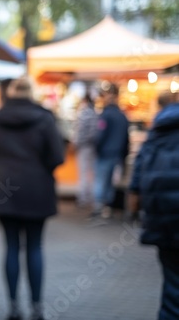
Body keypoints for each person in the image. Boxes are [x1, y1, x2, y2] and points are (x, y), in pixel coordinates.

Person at [0, 77, 65, 320]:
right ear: (31, 93)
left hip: (3, 188)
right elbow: (57, 156)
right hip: (36, 187)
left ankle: (14, 306)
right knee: (35, 246)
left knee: (11, 247)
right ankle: (37, 307)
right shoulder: (45, 118)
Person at [127, 91, 179, 320]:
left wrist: (134, 213)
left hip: (164, 221)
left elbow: (137, 179)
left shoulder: (156, 133)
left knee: (172, 286)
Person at [92, 82, 129, 219]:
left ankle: (98, 207)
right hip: (117, 154)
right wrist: (124, 155)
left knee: (101, 180)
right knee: (110, 182)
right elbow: (126, 138)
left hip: (105, 153)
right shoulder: (122, 116)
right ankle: (107, 207)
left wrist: (97, 148)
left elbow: (100, 135)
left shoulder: (105, 115)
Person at [72, 93, 98, 208]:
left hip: (84, 147)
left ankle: (83, 197)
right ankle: (91, 196)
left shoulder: (84, 113)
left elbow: (80, 131)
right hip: (93, 147)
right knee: (92, 172)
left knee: (83, 172)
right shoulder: (95, 114)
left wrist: (76, 143)